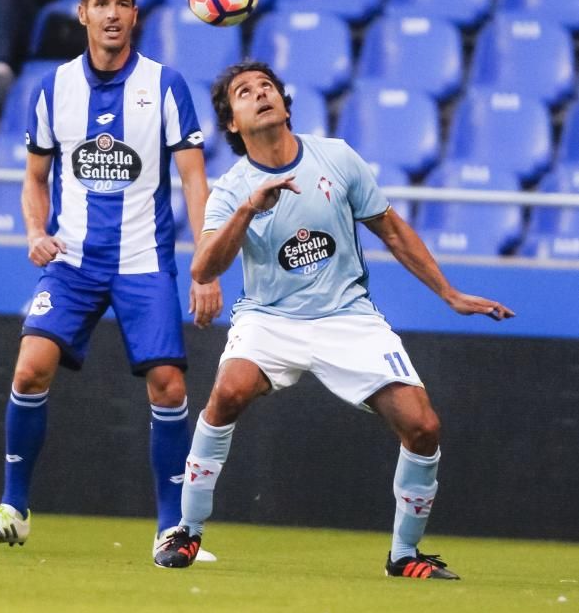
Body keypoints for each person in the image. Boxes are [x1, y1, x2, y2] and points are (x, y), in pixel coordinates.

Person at [152, 61, 515, 577]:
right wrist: (248, 211)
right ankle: (187, 530)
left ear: (284, 102)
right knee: (227, 392)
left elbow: (391, 229)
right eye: (244, 92)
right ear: (232, 123)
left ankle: (404, 556)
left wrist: (449, 294)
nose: (260, 95)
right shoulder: (233, 189)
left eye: (267, 87)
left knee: (423, 426)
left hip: (347, 317)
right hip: (270, 319)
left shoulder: (337, 158)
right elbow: (205, 266)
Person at [0, 0, 223, 561]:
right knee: (29, 368)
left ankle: (172, 530)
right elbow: (34, 177)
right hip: (73, 261)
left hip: (141, 260)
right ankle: (13, 512)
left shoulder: (165, 84)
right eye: (99, 3)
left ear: (135, 16)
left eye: (122, 4)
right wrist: (34, 229)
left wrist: (205, 267)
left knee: (168, 383)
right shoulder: (53, 87)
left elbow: (194, 180)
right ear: (82, 13)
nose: (110, 14)